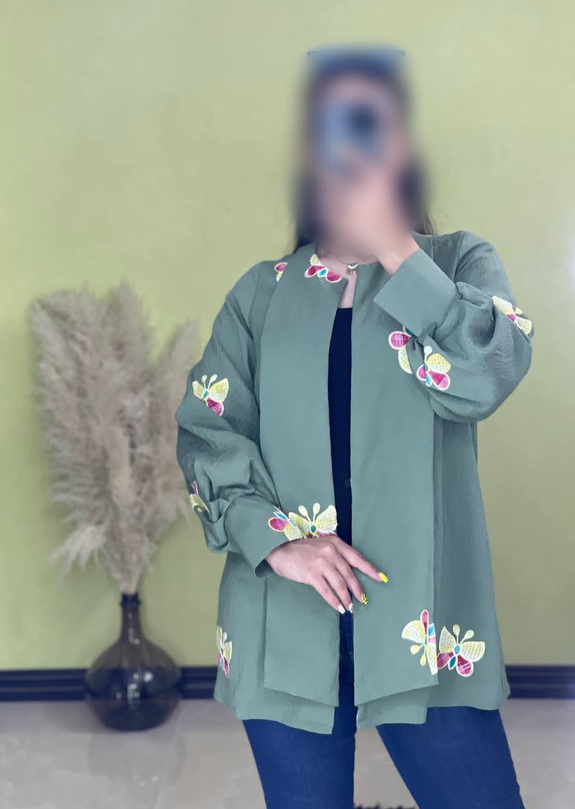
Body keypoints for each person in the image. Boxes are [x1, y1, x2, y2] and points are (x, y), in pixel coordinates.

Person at [176, 49, 531, 809]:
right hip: (285, 621)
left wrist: (395, 248)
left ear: (403, 148)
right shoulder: (262, 294)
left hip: (425, 623)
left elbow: (486, 374)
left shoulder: (457, 265)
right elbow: (209, 431)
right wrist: (276, 541)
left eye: (373, 125)